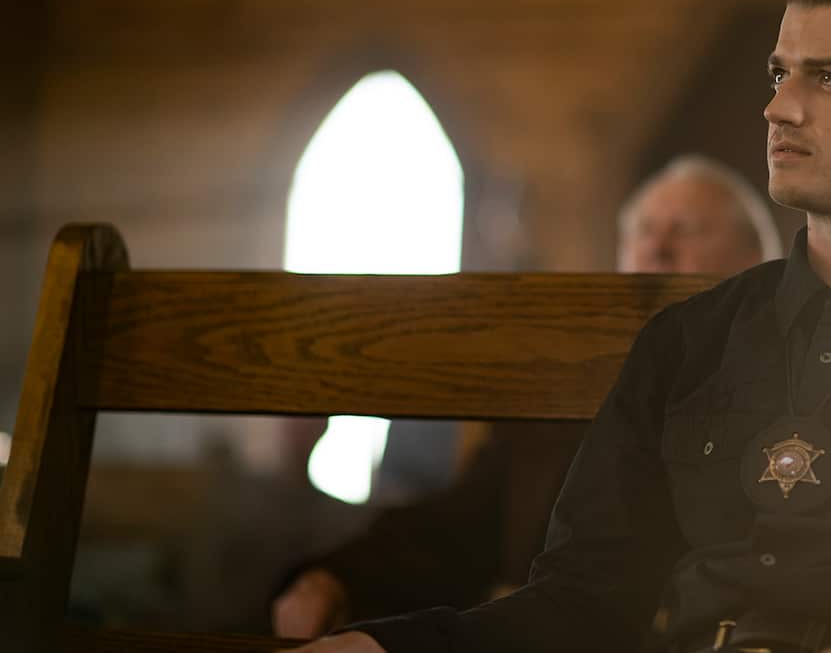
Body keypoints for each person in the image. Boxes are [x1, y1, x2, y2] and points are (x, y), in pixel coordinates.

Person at [294, 0, 831, 653]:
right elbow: (583, 601)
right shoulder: (689, 342)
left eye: (829, 78)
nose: (778, 106)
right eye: (780, 72)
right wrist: (388, 643)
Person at [272, 155, 782, 638]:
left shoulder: (780, 381)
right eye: (644, 232)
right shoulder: (559, 393)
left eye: (686, 231)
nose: (658, 248)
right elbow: (464, 525)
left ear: (755, 258)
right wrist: (338, 575)